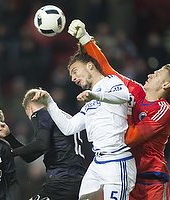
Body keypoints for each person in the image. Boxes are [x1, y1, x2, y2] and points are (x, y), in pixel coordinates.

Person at [68, 19, 170, 200]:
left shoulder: (164, 112)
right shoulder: (137, 92)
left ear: (166, 85)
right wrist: (84, 38)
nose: (151, 74)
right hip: (129, 172)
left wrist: (126, 111)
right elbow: (107, 69)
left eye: (158, 74)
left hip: (152, 179)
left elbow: (129, 139)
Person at [31, 37, 137, 199]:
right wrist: (50, 102)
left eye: (75, 71)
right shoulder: (90, 102)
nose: (73, 78)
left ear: (90, 66)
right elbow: (69, 128)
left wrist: (95, 95)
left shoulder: (111, 82)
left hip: (117, 160)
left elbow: (123, 96)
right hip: (98, 162)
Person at [0, 88, 87, 200]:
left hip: (61, 182)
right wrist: (9, 137)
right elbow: (30, 156)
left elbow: (41, 144)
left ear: (30, 109)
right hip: (78, 183)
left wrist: (10, 153)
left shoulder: (41, 114)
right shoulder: (65, 118)